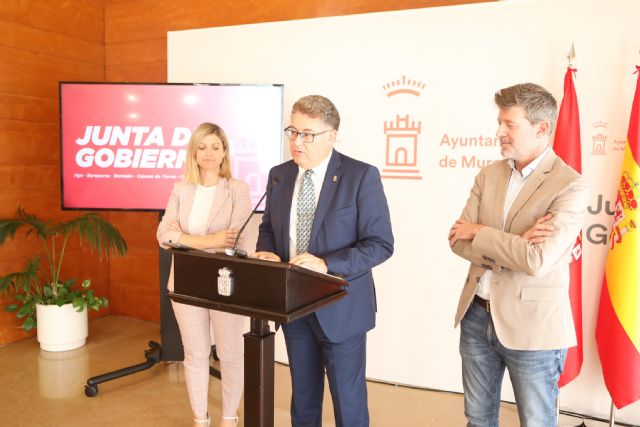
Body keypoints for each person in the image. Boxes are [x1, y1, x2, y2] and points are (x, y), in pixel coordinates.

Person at [448, 83, 590, 427]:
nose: (499, 132)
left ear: (541, 128)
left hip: (533, 326)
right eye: (499, 122)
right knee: (478, 420)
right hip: (476, 315)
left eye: (509, 124)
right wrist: (515, 243)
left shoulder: (570, 184)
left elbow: (537, 260)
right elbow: (456, 239)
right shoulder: (489, 174)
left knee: (536, 421)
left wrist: (480, 233)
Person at [255, 95, 394, 426]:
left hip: (341, 308)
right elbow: (268, 228)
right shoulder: (279, 175)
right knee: (303, 401)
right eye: (292, 132)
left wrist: (326, 264)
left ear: (331, 136)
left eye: (307, 134)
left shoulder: (360, 176)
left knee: (348, 403)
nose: (296, 142)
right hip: (293, 306)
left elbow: (380, 245)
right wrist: (267, 251)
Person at [157, 122, 251, 427]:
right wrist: (210, 240)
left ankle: (229, 417)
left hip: (226, 281)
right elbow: (163, 235)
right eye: (202, 147)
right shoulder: (181, 189)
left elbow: (237, 241)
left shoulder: (237, 189)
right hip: (186, 281)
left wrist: (185, 239)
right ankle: (200, 419)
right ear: (193, 153)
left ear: (224, 152)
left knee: (230, 354)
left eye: (215, 147)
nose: (208, 153)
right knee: (195, 353)